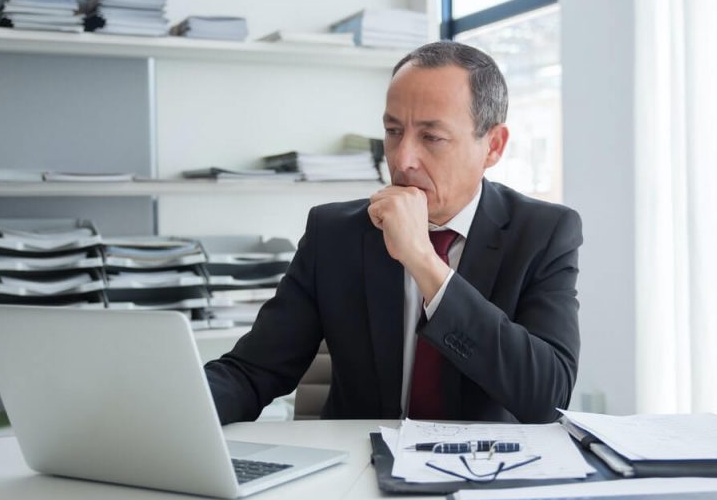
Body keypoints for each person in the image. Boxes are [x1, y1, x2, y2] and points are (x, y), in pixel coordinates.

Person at [204, 41, 582, 424]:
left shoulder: (543, 233)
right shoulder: (334, 234)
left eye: (431, 137)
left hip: (485, 470)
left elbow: (546, 397)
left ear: (493, 146)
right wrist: (171, 409)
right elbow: (253, 372)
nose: (402, 159)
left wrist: (423, 260)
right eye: (393, 131)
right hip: (359, 469)